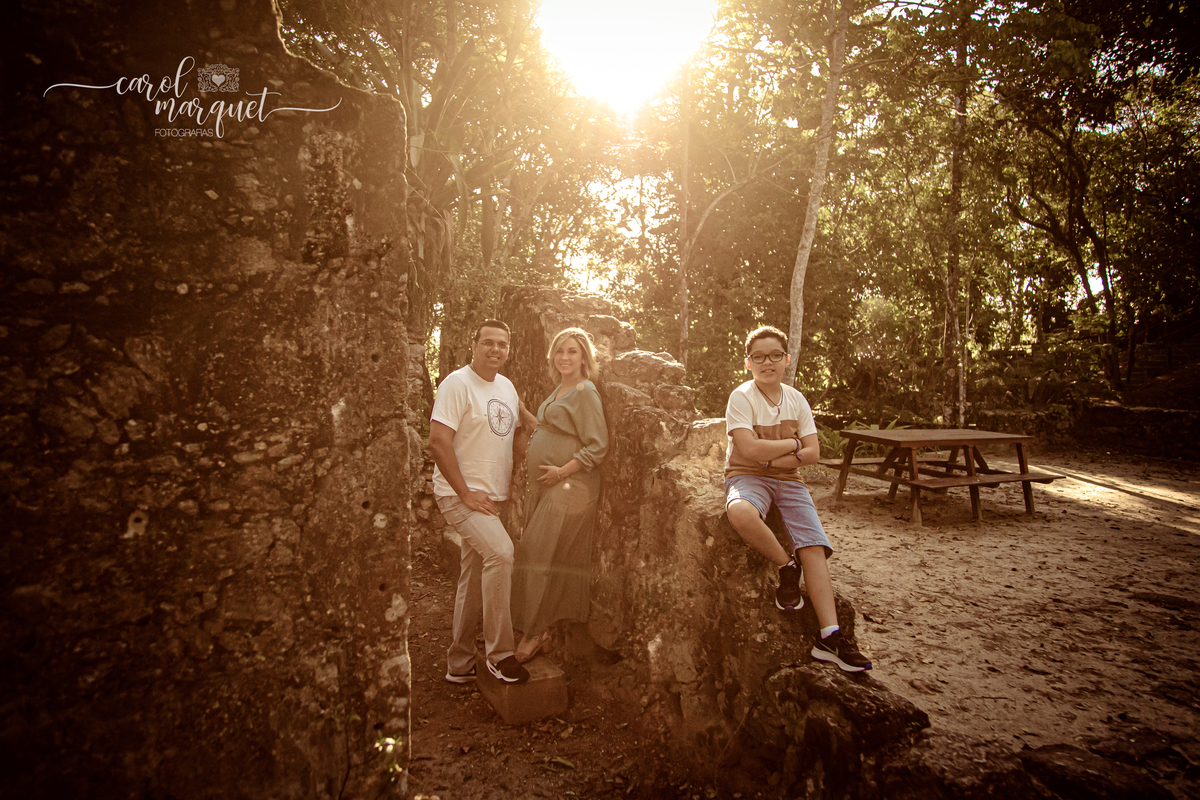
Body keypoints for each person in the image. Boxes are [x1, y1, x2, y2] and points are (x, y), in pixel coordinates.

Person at [724, 325, 873, 673]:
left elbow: (814, 453)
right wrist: (793, 445)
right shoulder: (741, 397)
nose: (767, 362)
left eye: (775, 355)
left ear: (787, 359)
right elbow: (749, 449)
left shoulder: (796, 399)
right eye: (759, 356)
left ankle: (830, 636)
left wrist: (774, 459)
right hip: (746, 476)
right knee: (740, 511)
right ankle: (786, 567)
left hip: (789, 480)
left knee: (813, 546)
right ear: (748, 363)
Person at [430, 320, 533, 685]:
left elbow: (518, 434)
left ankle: (459, 664)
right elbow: (438, 441)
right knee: (501, 553)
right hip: (460, 495)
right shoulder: (457, 384)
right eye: (488, 342)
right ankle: (500, 655)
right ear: (473, 345)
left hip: (492, 499)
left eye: (502, 344)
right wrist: (464, 493)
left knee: (473, 578)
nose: (495, 349)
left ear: (508, 350)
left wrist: (540, 430)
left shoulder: (506, 387)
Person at [511, 328, 609, 663]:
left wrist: (561, 472)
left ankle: (535, 633)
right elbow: (550, 427)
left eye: (572, 351)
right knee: (539, 553)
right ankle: (535, 626)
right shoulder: (560, 388)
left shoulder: (585, 391)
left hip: (572, 485)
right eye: (559, 351)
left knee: (539, 552)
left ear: (584, 357)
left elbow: (598, 446)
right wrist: (524, 413)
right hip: (551, 483)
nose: (564, 357)